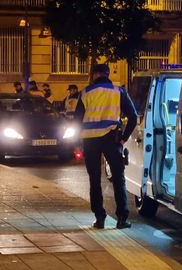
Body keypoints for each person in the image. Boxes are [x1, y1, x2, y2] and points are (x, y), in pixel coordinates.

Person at [75, 64, 137, 229]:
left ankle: (99, 218)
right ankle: (122, 218)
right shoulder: (119, 91)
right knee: (118, 178)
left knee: (94, 180)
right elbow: (133, 117)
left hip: (90, 141)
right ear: (108, 74)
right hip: (112, 139)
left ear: (94, 75)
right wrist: (123, 138)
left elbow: (76, 121)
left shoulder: (86, 92)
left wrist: (78, 142)